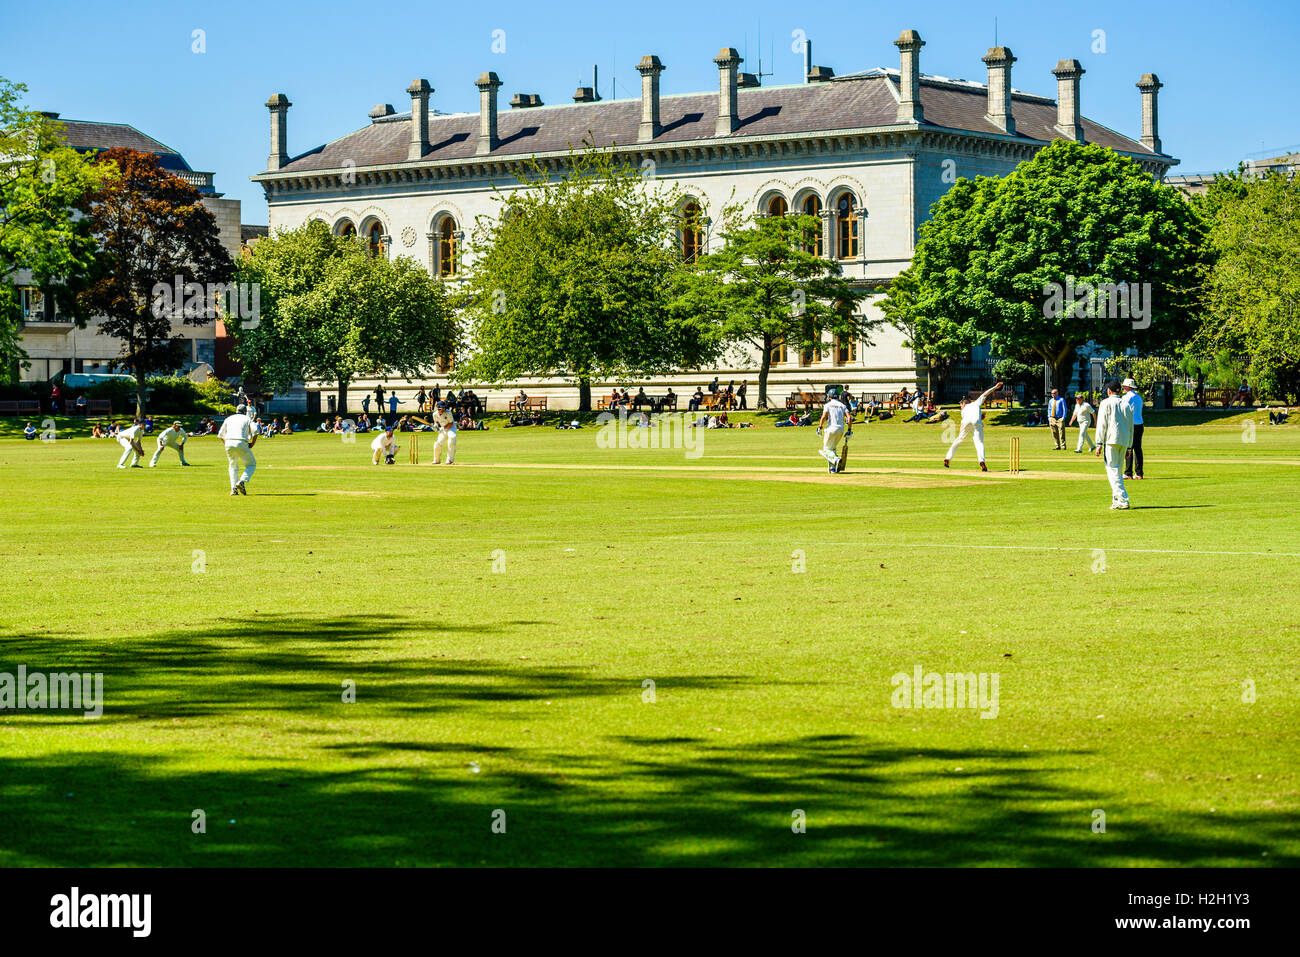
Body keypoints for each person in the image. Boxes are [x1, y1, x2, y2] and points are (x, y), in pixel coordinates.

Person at [944, 381, 1003, 471]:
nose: (960, 406)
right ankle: (982, 461)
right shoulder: (976, 403)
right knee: (979, 443)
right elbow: (985, 393)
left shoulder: (964, 410)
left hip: (966, 423)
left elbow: (965, 422)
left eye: (960, 404)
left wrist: (961, 434)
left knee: (959, 440)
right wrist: (995, 387)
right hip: (976, 422)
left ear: (964, 403)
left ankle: (948, 458)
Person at [1094, 379, 1134, 510]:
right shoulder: (1126, 404)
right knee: (1117, 470)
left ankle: (1123, 499)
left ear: (1109, 391)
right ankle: (1116, 499)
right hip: (1124, 440)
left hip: (1111, 441)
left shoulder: (1105, 403)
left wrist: (1099, 443)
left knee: (1113, 471)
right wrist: (1129, 446)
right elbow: (1130, 427)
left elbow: (1101, 424)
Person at [218, 404, 257, 495]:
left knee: (232, 466)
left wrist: (227, 444)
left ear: (236, 410)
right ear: (245, 412)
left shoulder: (229, 418)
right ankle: (242, 481)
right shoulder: (247, 418)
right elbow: (255, 432)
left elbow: (220, 434)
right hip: (242, 442)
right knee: (251, 464)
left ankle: (233, 489)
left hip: (228, 443)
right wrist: (252, 443)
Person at [816, 387, 852, 474]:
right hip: (841, 430)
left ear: (829, 396)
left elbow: (824, 417)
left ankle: (836, 459)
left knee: (826, 450)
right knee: (832, 449)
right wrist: (849, 430)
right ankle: (833, 469)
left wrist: (820, 427)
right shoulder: (842, 405)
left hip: (831, 429)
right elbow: (849, 417)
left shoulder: (827, 405)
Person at [1121, 378, 1145, 480]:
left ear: (1127, 387)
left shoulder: (1126, 398)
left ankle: (1128, 472)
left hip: (1130, 425)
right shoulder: (1139, 397)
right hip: (1140, 424)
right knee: (1138, 449)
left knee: (1129, 448)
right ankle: (1139, 473)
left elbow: (1122, 411)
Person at [429, 399, 457, 465]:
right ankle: (436, 460)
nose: (444, 408)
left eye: (444, 407)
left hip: (451, 428)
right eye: (442, 407)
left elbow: (451, 423)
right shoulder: (435, 414)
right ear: (438, 408)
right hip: (443, 428)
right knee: (437, 443)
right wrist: (435, 426)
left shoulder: (448, 412)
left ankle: (450, 460)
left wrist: (442, 429)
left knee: (452, 438)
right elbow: (436, 421)